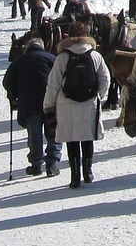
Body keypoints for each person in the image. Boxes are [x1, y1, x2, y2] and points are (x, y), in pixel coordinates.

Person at [44, 22, 111, 189]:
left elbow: (53, 84)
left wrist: (48, 106)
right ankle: (88, 173)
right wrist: (98, 96)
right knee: (87, 138)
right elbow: (105, 79)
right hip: (89, 104)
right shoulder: (95, 55)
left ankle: (75, 176)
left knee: (71, 139)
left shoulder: (62, 57)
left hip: (66, 104)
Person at [3, 35, 61, 177]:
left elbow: (7, 82)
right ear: (42, 46)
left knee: (34, 135)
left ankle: (36, 165)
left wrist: (14, 95)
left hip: (29, 103)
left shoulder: (19, 61)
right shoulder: (52, 59)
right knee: (53, 132)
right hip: (51, 103)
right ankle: (52, 164)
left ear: (27, 48)